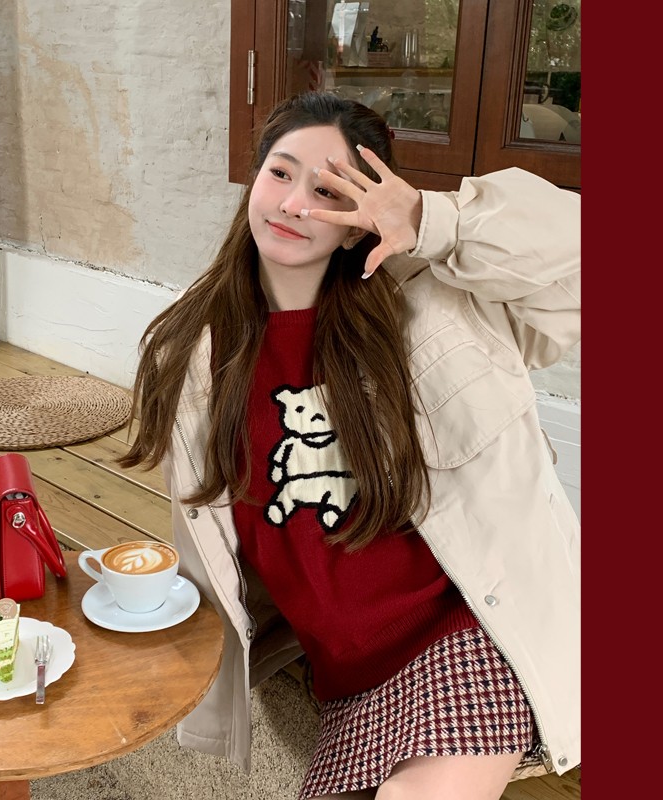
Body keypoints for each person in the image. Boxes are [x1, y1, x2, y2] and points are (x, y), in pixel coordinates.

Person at [121, 91, 580, 800]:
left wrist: (433, 220)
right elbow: (213, 530)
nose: (294, 204)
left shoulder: (436, 306)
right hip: (348, 673)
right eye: (281, 173)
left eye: (329, 191)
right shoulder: (194, 352)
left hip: (470, 628)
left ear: (358, 224)